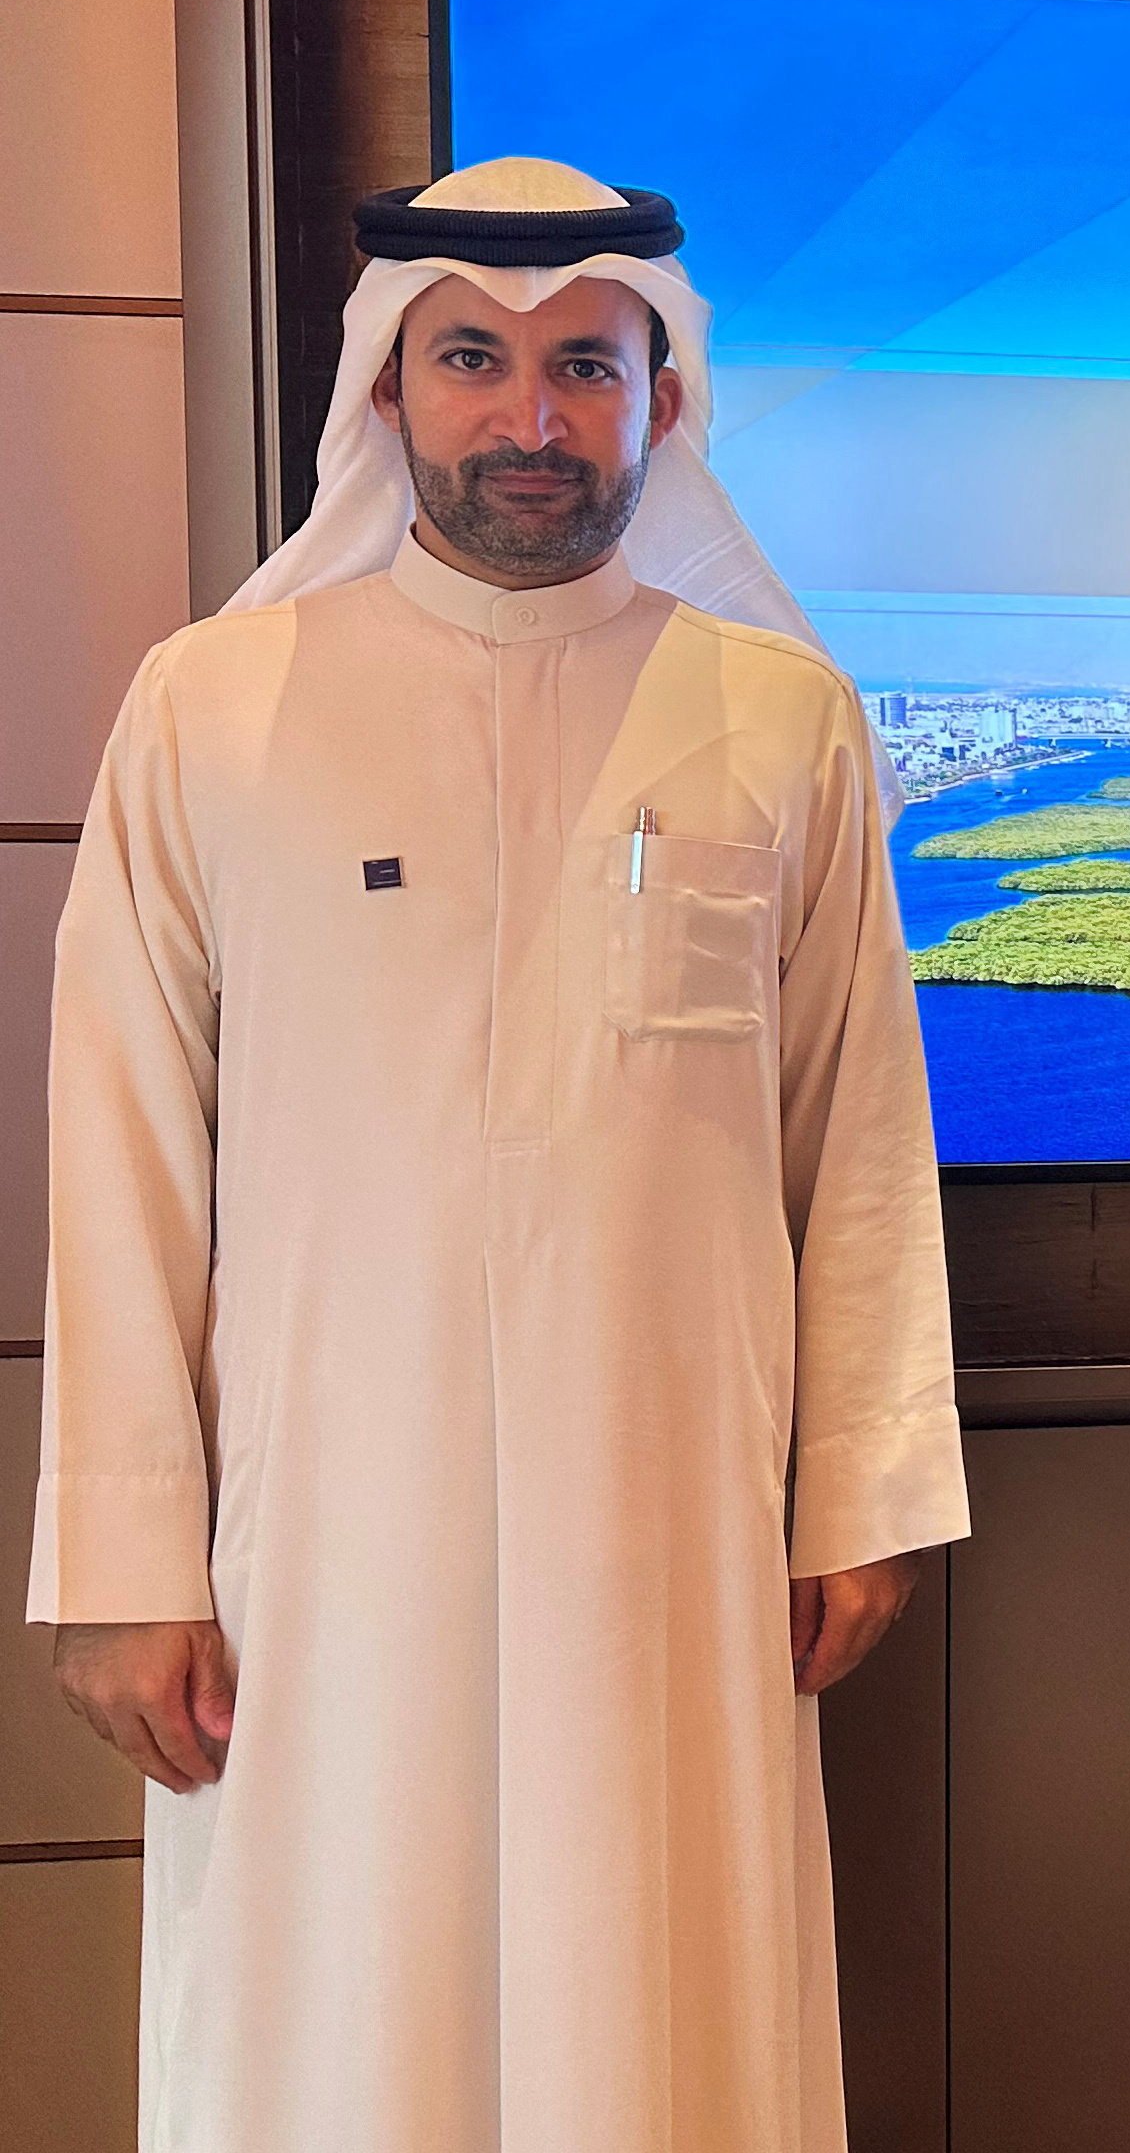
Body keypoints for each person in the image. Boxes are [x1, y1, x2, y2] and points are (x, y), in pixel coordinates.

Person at [28, 157, 970, 2152]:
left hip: (674, 1540)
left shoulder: (779, 722)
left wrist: (861, 1487)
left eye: (584, 368)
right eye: (475, 359)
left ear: (664, 403)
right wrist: (121, 1559)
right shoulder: (211, 712)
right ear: (390, 389)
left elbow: (858, 1136)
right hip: (314, 1558)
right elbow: (119, 1151)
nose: (530, 417)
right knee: (333, 2020)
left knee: (662, 2014)